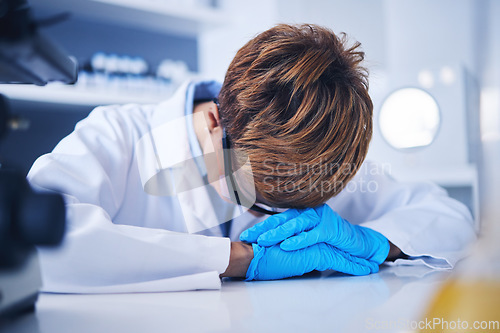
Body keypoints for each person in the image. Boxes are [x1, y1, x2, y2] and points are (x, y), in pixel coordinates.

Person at [28, 24, 475, 292]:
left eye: (286, 209)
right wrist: (233, 258)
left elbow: (451, 217)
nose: (262, 216)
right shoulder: (118, 136)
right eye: (250, 195)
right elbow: (34, 246)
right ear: (212, 125)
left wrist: (378, 241)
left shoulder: (310, 157)